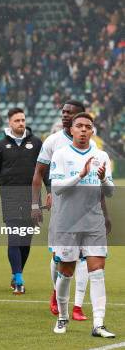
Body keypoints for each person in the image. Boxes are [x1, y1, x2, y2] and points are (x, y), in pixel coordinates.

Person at [32, 101, 103, 320]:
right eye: (63, 112)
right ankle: (57, 293)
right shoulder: (53, 142)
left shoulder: (93, 146)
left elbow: (100, 181)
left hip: (88, 212)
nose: (64, 115)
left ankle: (78, 306)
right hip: (62, 210)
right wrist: (37, 202)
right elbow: (39, 173)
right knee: (59, 257)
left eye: (69, 113)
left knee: (85, 258)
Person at [49, 112, 115, 337]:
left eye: (88, 126)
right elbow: (57, 187)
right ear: (72, 130)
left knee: (97, 272)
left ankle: (98, 323)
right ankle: (62, 317)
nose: (84, 130)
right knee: (66, 272)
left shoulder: (102, 155)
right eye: (80, 126)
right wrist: (81, 174)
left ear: (93, 130)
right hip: (67, 223)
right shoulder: (61, 154)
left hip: (93, 223)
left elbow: (110, 191)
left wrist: (104, 178)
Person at [0, 107, 48, 294]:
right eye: (17, 120)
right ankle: (19, 279)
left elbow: (45, 170)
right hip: (10, 197)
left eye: (23, 120)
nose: (21, 123)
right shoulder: (0, 145)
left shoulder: (36, 143)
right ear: (9, 123)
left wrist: (50, 191)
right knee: (14, 237)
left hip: (32, 198)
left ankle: (17, 273)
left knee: (26, 242)